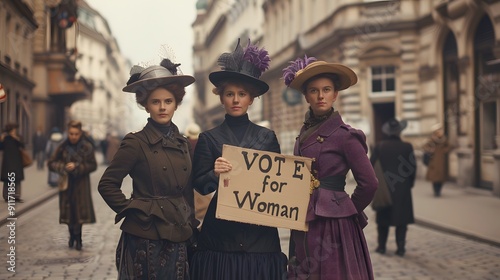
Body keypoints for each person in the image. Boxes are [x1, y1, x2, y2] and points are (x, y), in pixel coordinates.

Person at [189, 39, 287, 280]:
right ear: (221, 98)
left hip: (260, 234)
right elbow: (200, 184)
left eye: (241, 94)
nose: (235, 99)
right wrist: (214, 172)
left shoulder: (267, 137)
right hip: (221, 234)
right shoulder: (209, 138)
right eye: (229, 94)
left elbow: (278, 185)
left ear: (251, 99)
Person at [98, 58, 198, 280]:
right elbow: (107, 184)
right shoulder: (136, 143)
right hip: (145, 238)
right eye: (156, 102)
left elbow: (187, 190)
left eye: (168, 101)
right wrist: (134, 210)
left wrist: (191, 224)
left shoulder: (182, 143)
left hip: (179, 233)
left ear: (176, 103)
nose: (162, 107)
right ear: (146, 104)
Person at [282, 56, 378, 279]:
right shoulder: (303, 133)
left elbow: (370, 183)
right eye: (314, 90)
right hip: (304, 217)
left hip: (334, 225)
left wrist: (345, 210)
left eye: (327, 90)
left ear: (335, 95)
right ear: (306, 96)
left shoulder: (346, 136)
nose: (321, 95)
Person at [48, 120, 97, 250]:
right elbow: (51, 162)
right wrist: (63, 167)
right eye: (71, 133)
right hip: (67, 184)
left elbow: (93, 165)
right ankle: (71, 236)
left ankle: (78, 238)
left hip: (81, 184)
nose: (73, 136)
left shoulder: (87, 147)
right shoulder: (62, 146)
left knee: (79, 212)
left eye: (76, 134)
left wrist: (78, 167)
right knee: (68, 212)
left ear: (80, 133)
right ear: (67, 132)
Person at [370, 118, 416, 257]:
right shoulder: (407, 146)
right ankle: (401, 248)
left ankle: (382, 247)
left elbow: (370, 167)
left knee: (383, 220)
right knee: (401, 220)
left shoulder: (380, 146)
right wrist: (410, 183)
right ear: (399, 132)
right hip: (402, 188)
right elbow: (412, 168)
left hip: (384, 188)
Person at [423, 123, 452, 197]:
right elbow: (425, 147)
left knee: (441, 178)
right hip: (433, 161)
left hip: (442, 161)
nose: (440, 132)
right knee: (434, 178)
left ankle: (439, 190)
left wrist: (444, 151)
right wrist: (430, 150)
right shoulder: (431, 139)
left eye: (440, 130)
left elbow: (449, 146)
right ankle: (436, 191)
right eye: (438, 131)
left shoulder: (444, 139)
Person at [1, 122, 26, 203]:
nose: (14, 131)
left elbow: (23, 145)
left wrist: (16, 138)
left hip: (17, 161)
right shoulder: (5, 138)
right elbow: (1, 148)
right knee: (8, 179)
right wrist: (1, 140)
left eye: (15, 130)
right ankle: (7, 196)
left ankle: (16, 196)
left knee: (17, 179)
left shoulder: (17, 138)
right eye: (13, 130)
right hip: (8, 162)